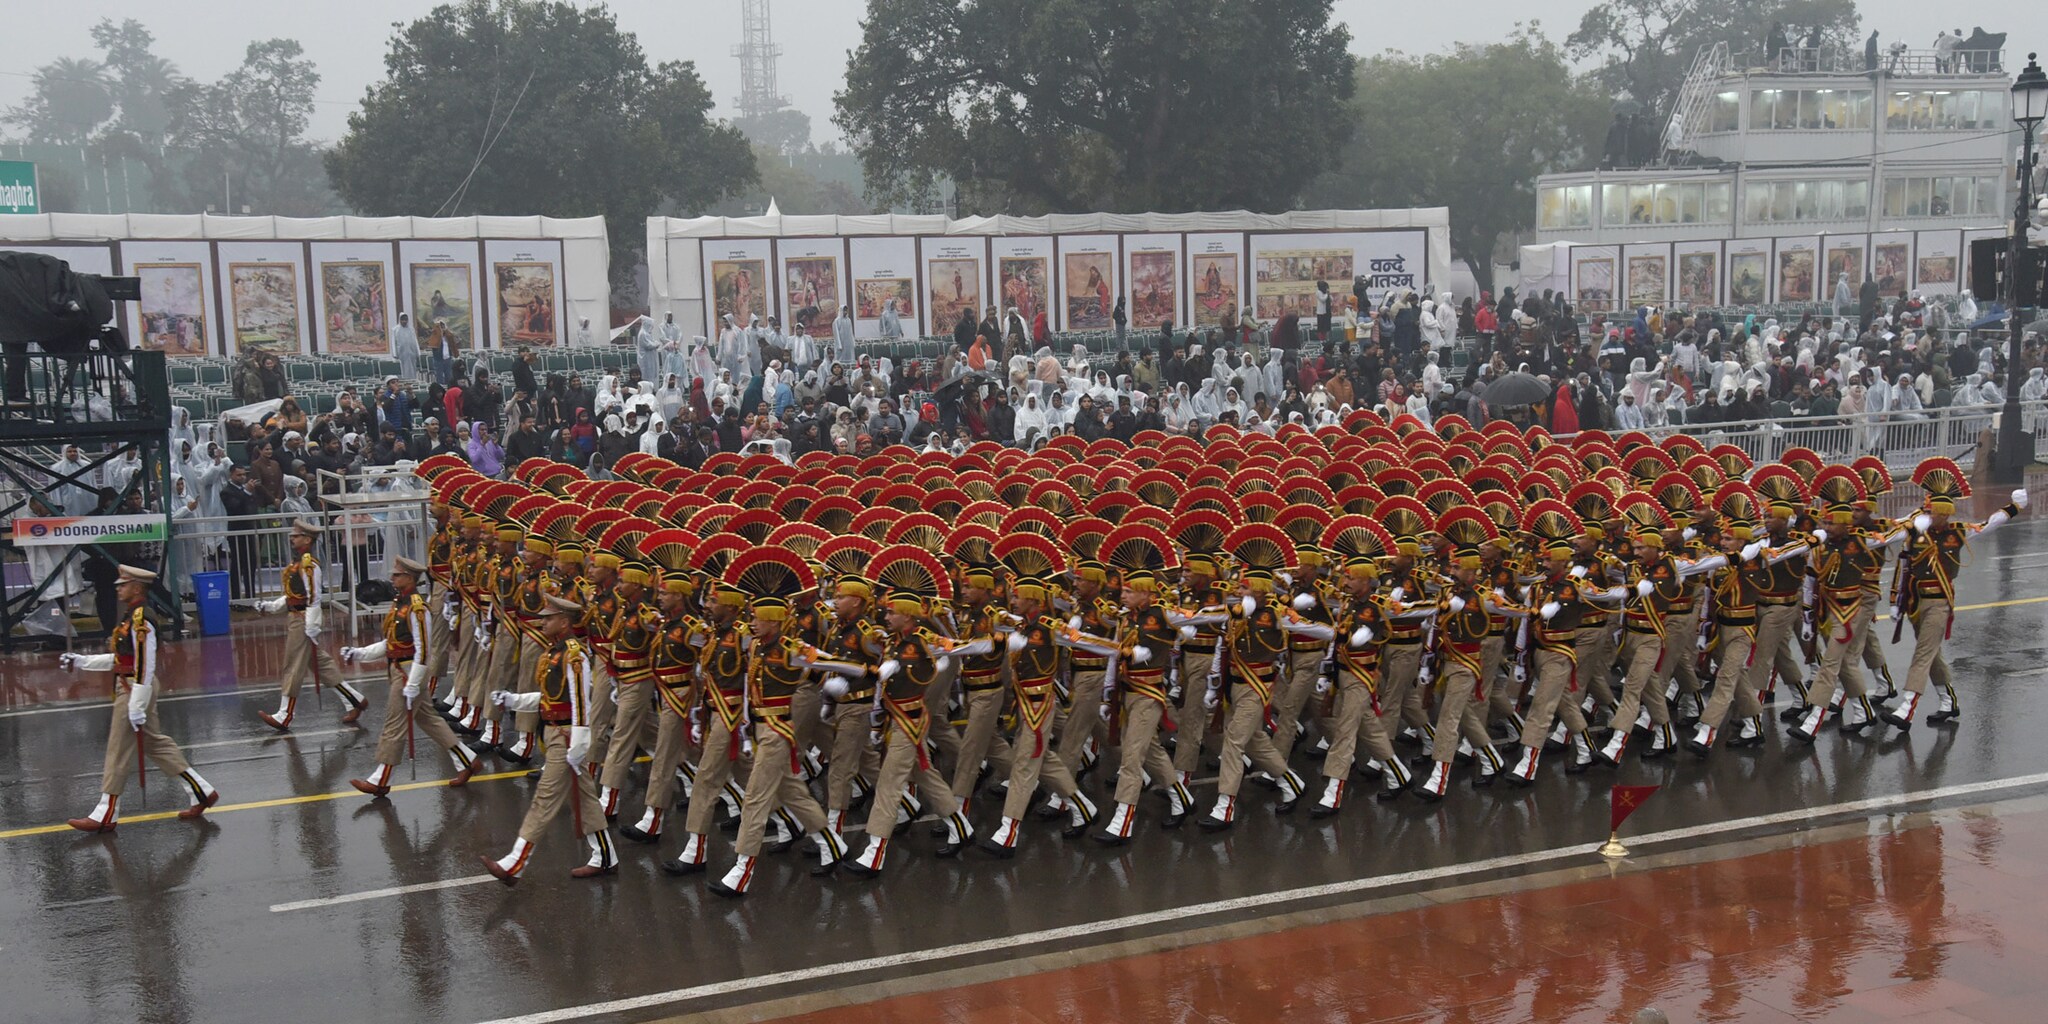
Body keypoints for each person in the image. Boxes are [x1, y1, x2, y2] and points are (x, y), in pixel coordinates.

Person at [61, 565, 222, 833]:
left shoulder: (141, 619)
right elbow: (122, 658)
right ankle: (202, 791)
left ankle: (105, 813)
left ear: (137, 588)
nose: (118, 589)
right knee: (155, 744)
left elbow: (145, 665)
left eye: (123, 585)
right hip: (133, 685)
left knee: (117, 749)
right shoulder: (131, 616)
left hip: (135, 687)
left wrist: (136, 705)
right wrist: (82, 661)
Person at [480, 594, 618, 885]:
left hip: (566, 737)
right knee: (586, 799)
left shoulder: (574, 655)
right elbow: (549, 698)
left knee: (545, 798)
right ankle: (605, 857)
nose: (542, 622)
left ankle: (515, 863)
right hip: (556, 732)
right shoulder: (555, 652)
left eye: (549, 618)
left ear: (564, 622)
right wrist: (514, 700)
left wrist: (578, 745)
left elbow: (581, 703)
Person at [341, 557, 480, 796]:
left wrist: (413, 683)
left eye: (397, 575)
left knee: (394, 726)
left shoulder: (417, 608)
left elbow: (423, 650)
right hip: (399, 670)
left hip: (408, 673)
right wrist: (359, 653)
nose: (392, 578)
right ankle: (468, 761)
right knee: (430, 721)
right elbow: (391, 643)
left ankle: (380, 780)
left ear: (410, 578)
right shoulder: (399, 603)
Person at [253, 519, 367, 730]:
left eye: (296, 536)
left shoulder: (308, 564)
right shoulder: (297, 563)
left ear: (307, 539)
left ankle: (285, 714)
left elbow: (314, 597)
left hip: (302, 619)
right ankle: (354, 699)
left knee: (293, 664)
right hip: (296, 617)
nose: (292, 538)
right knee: (320, 665)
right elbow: (293, 595)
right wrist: (271, 606)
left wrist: (312, 624)